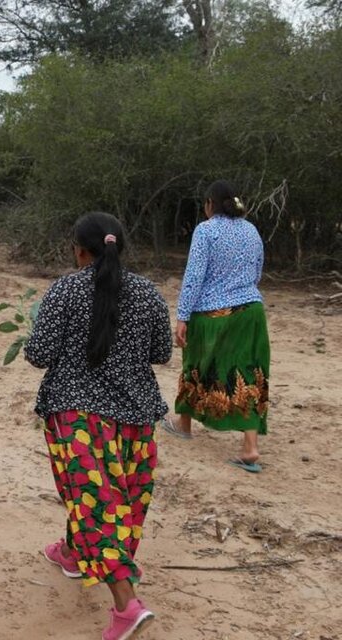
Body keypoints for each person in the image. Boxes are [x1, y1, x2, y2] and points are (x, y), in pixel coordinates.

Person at [24, 212, 171, 640]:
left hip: (79, 416)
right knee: (115, 496)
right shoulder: (148, 293)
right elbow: (161, 352)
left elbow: (38, 353)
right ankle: (72, 553)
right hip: (137, 418)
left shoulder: (65, 290)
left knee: (95, 502)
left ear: (79, 250)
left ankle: (126, 605)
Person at [164, 180, 270, 473]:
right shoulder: (251, 229)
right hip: (251, 311)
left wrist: (182, 316)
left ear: (210, 204)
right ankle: (250, 447)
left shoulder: (205, 230)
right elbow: (257, 271)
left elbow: (194, 275)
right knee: (249, 372)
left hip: (212, 314)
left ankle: (184, 425)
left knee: (195, 366)